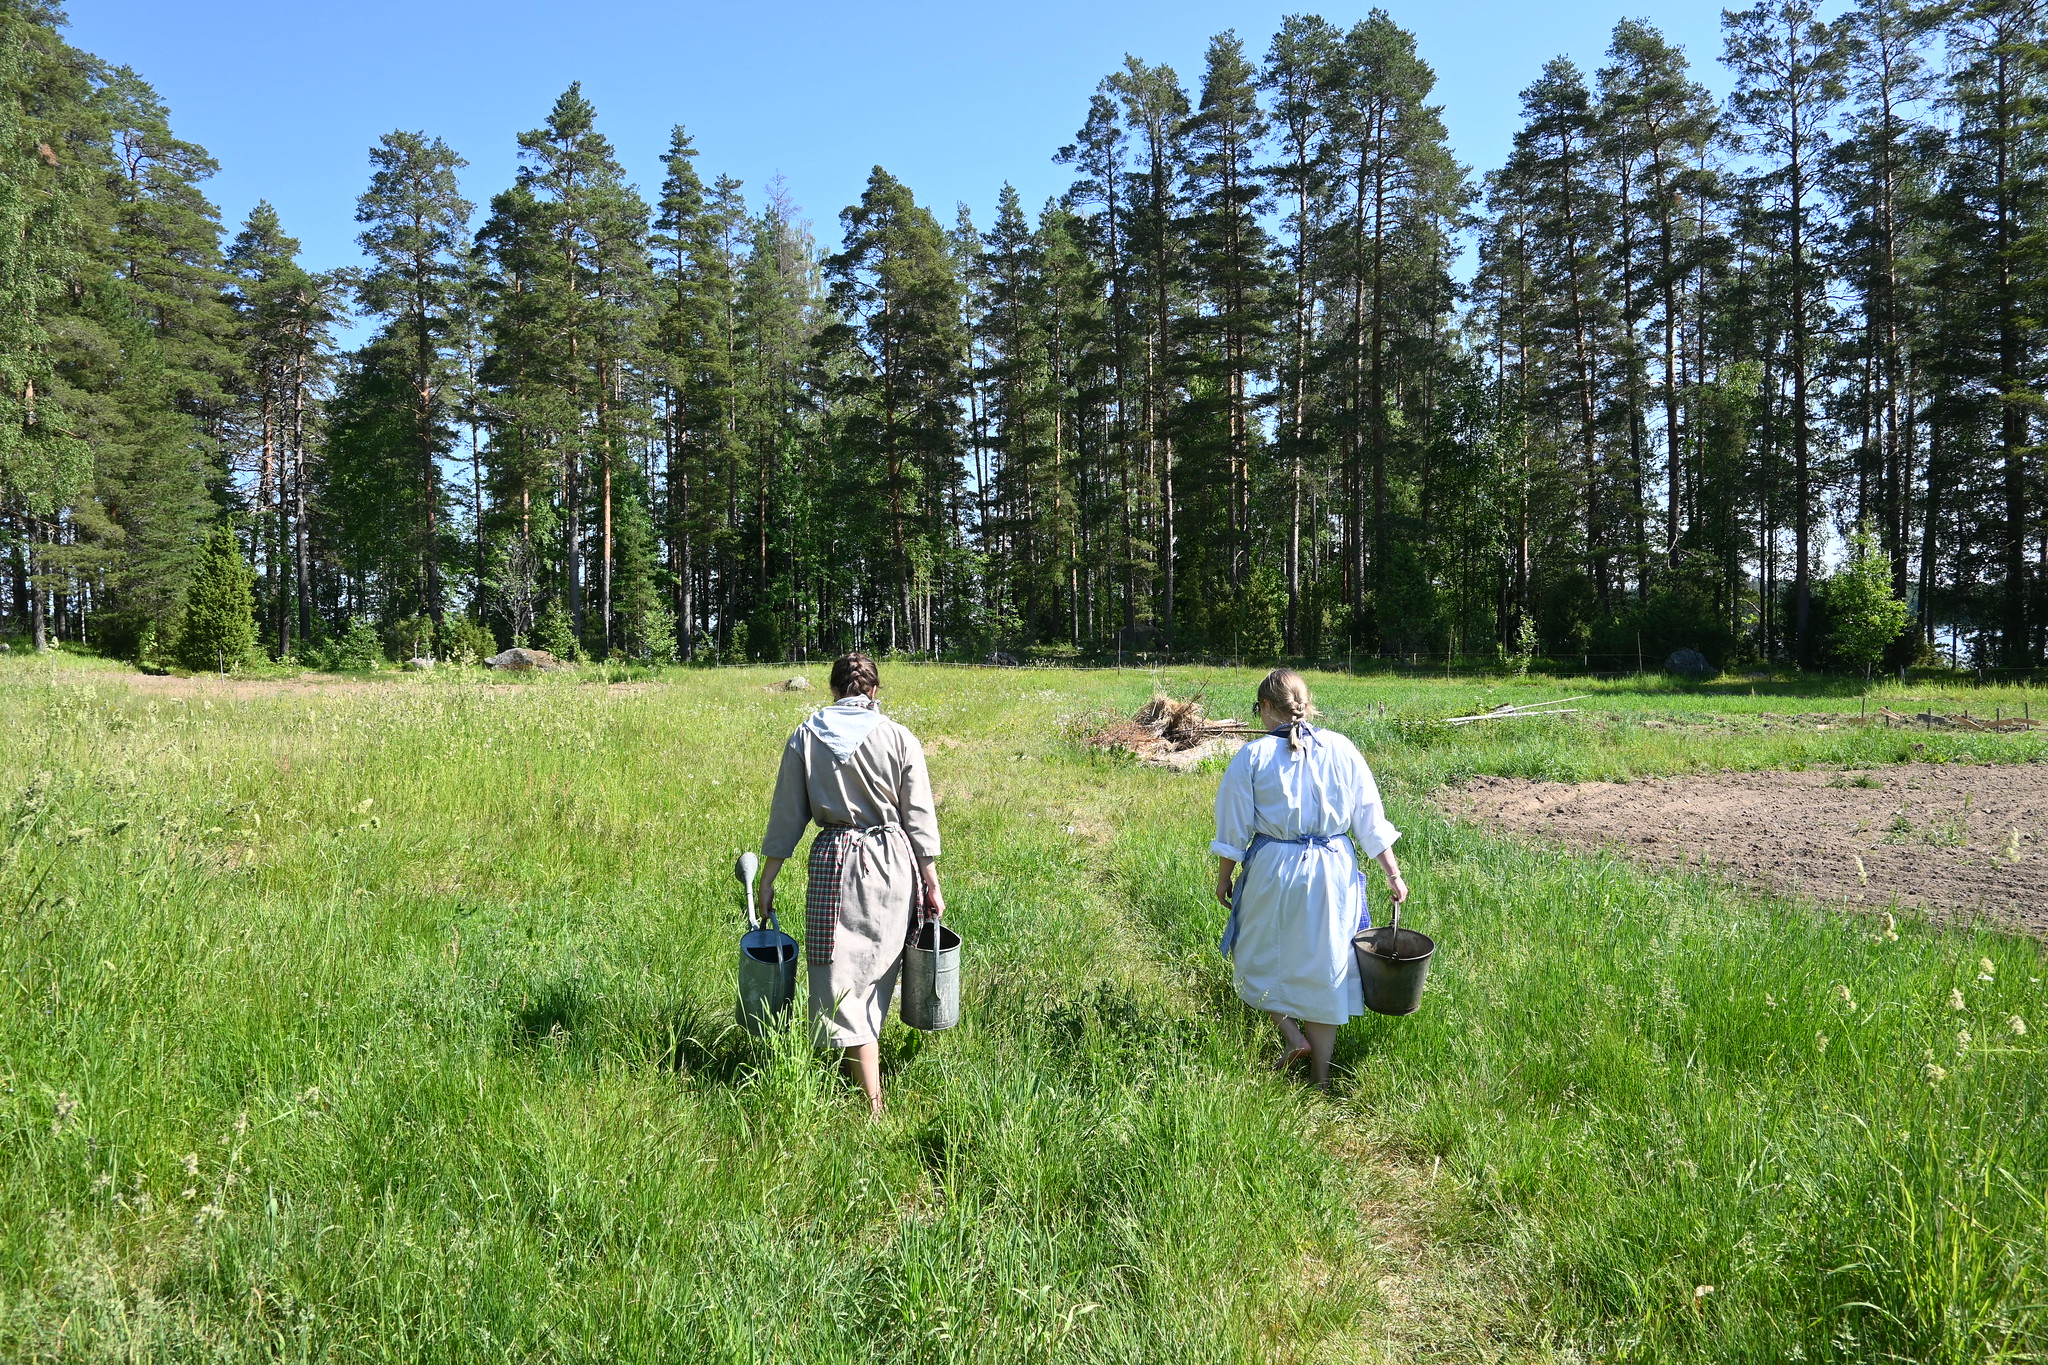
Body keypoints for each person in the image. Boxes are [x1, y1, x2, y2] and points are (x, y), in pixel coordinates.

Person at [758, 653, 943, 1115]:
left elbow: (787, 815)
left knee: (840, 974)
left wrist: (768, 877)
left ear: (835, 690)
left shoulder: (807, 735)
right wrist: (931, 881)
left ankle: (872, 1105)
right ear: (874, 692)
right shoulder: (899, 738)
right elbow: (918, 817)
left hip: (834, 864)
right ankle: (865, 1087)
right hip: (892, 863)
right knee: (870, 976)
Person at [1211, 668, 1407, 1088]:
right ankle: (1319, 1078)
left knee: (1256, 955)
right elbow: (1370, 817)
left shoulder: (1253, 755)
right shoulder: (1341, 748)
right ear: (1306, 702)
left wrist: (1225, 877)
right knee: (1326, 969)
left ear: (1266, 707)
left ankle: (1291, 1035)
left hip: (1273, 869)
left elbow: (1234, 827)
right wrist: (1392, 872)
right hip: (1333, 870)